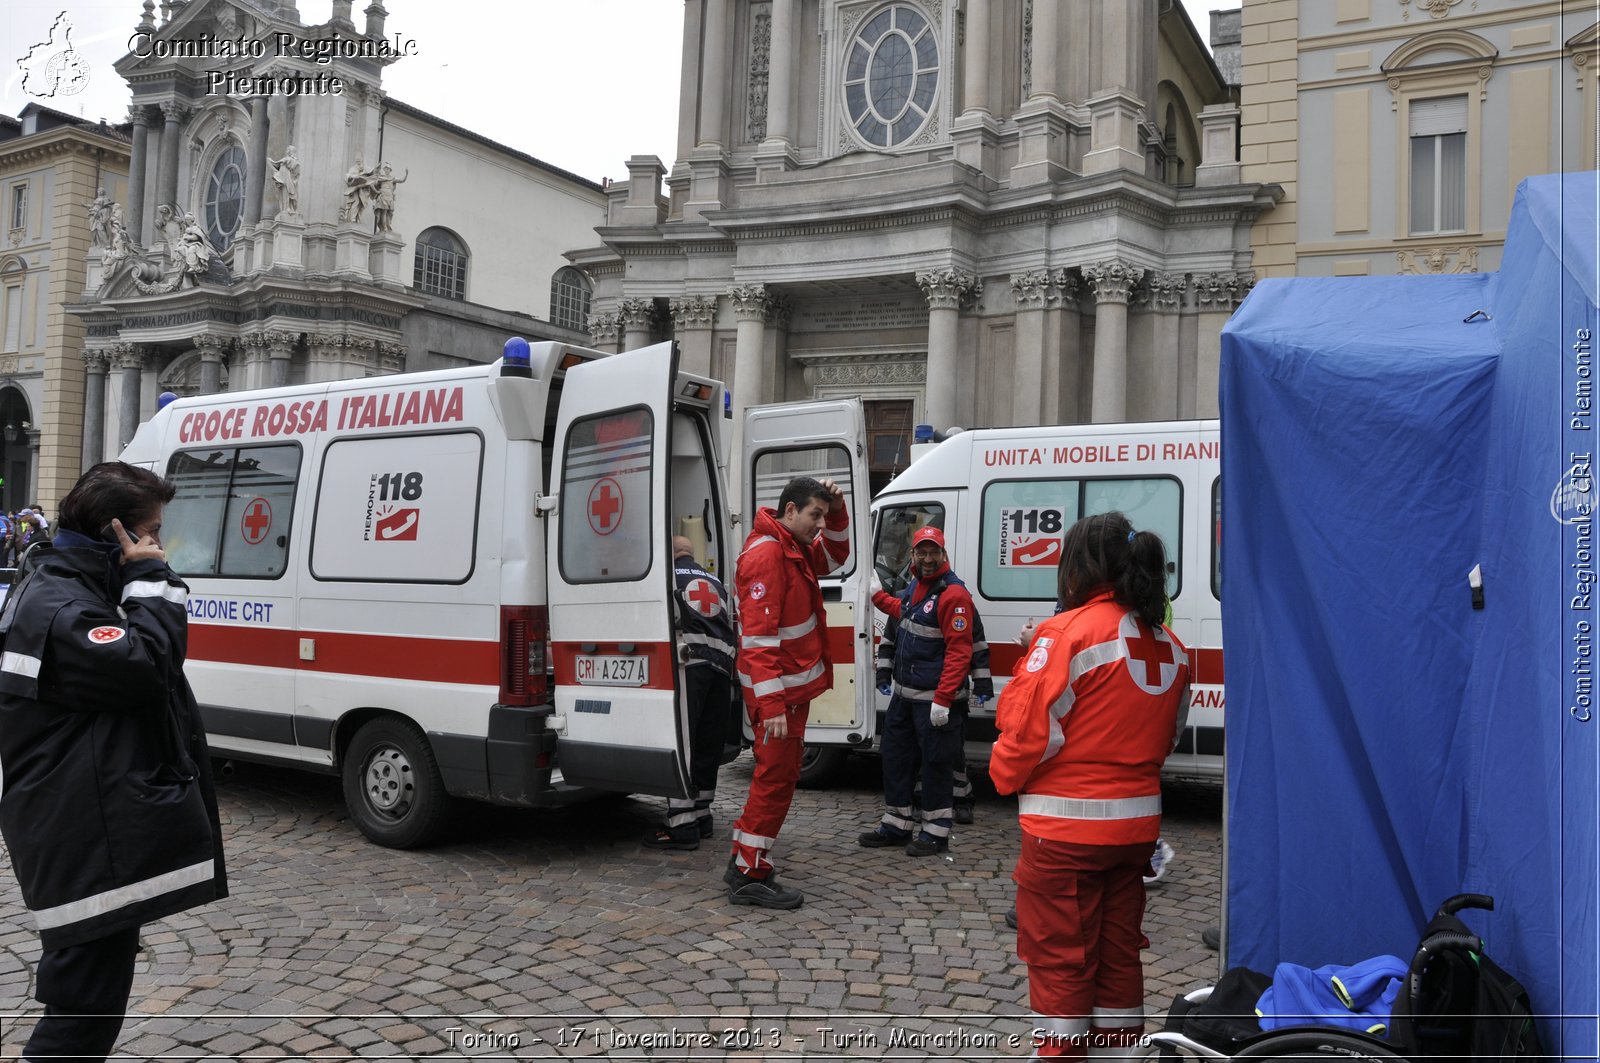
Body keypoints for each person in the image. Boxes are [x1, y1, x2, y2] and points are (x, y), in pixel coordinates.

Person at [0, 462, 228, 1063]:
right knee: (80, 1013)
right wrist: (150, 579)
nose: (159, 544)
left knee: (88, 1005)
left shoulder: (70, 588)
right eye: (151, 532)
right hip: (81, 836)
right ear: (116, 535)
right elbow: (147, 670)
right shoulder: (62, 606)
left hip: (83, 825)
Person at [990, 511, 1190, 1059]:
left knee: (1059, 957)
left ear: (1080, 566)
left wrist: (1001, 776)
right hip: (1136, 833)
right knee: (1119, 953)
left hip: (1064, 836)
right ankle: (1120, 1056)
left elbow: (1028, 731)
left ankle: (1060, 1056)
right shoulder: (1171, 645)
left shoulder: (1067, 632)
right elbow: (1166, 737)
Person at [724, 475, 849, 909]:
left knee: (776, 778)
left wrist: (838, 509)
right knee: (775, 780)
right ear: (790, 510)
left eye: (823, 516)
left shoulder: (790, 547)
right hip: (779, 698)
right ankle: (749, 874)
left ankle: (744, 857)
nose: (820, 524)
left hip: (788, 694)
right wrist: (773, 703)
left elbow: (835, 556)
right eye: (815, 515)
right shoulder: (768, 555)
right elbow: (758, 639)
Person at [859, 526, 981, 855]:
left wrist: (943, 701)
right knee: (895, 760)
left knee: (936, 766)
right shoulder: (916, 586)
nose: (927, 558)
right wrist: (878, 597)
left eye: (933, 552)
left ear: (944, 554)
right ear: (913, 555)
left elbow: (959, 653)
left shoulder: (954, 595)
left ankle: (935, 832)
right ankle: (897, 824)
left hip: (934, 704)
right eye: (921, 552)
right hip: (906, 697)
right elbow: (906, 614)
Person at [642, 535, 738, 850]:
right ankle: (702, 814)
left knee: (683, 742)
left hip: (690, 665)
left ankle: (682, 826)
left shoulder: (668, 577)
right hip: (722, 668)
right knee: (708, 745)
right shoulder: (715, 581)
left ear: (669, 552)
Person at [268, 145, 301, 214]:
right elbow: (276, 165)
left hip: (288, 179)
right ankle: (286, 208)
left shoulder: (289, 160)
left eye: (288, 150)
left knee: (288, 193)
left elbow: (295, 170)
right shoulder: (288, 160)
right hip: (285, 179)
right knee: (285, 192)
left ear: (290, 151)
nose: (286, 151)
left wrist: (272, 163)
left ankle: (289, 208)